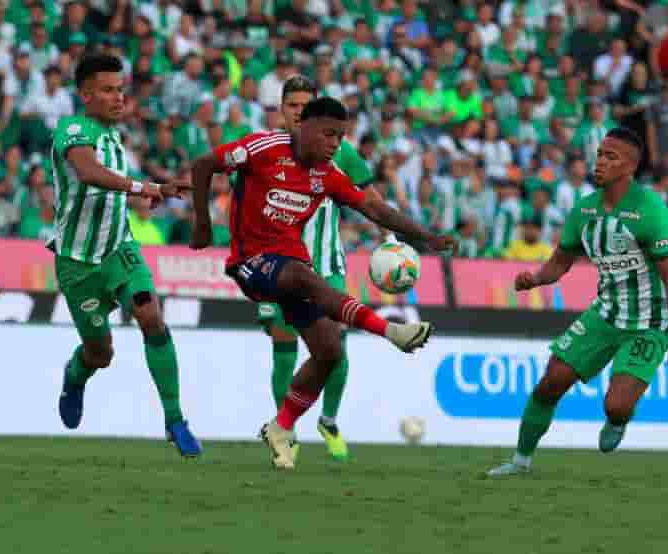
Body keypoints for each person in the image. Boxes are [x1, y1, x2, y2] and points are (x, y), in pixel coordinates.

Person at [189, 97, 455, 470]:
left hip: (292, 266)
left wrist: (426, 237)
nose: (335, 143)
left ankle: (281, 427)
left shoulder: (327, 174)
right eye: (329, 134)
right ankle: (390, 331)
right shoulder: (263, 148)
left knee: (329, 350)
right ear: (303, 127)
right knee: (303, 277)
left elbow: (374, 208)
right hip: (251, 262)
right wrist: (202, 221)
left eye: (341, 136)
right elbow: (203, 165)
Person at [487, 128, 668, 476]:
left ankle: (618, 420)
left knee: (615, 406)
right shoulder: (584, 211)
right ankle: (520, 461)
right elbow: (559, 264)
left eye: (611, 156)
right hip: (605, 314)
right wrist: (536, 278)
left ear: (630, 166)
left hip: (648, 324)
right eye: (599, 154)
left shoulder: (651, 211)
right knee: (551, 380)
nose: (600, 162)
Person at [50, 54, 201, 457]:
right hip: (78, 263)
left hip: (119, 248)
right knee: (101, 353)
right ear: (86, 95)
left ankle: (175, 420)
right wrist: (140, 186)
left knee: (150, 314)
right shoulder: (73, 128)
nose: (118, 98)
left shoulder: (117, 141)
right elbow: (87, 173)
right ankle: (75, 375)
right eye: (107, 90)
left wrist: (157, 190)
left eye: (121, 89)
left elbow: (115, 194)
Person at [250, 76, 375, 462]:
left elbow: (368, 196)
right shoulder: (264, 149)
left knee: (334, 346)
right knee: (284, 345)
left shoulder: (341, 151)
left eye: (307, 106)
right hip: (276, 265)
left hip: (326, 265)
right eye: (293, 106)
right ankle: (285, 431)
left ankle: (329, 419)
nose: (300, 112)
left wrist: (389, 237)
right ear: (281, 109)